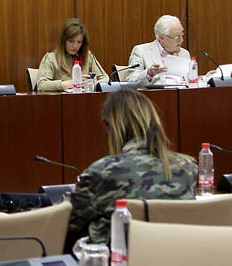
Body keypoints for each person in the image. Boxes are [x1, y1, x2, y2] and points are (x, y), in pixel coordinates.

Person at [66, 89, 197, 250]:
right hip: (175, 259)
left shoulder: (105, 171)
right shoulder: (187, 168)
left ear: (111, 127)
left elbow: (63, 220)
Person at [36, 18, 110, 92]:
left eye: (79, 42)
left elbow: (105, 78)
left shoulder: (88, 56)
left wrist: (91, 83)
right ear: (63, 40)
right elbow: (41, 85)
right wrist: (67, 84)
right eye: (71, 41)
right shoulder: (51, 58)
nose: (75, 46)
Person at [124, 14, 191, 86]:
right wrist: (149, 73)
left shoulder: (184, 53)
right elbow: (130, 80)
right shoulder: (141, 51)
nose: (182, 40)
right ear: (162, 37)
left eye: (182, 35)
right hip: (155, 95)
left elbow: (190, 81)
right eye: (177, 37)